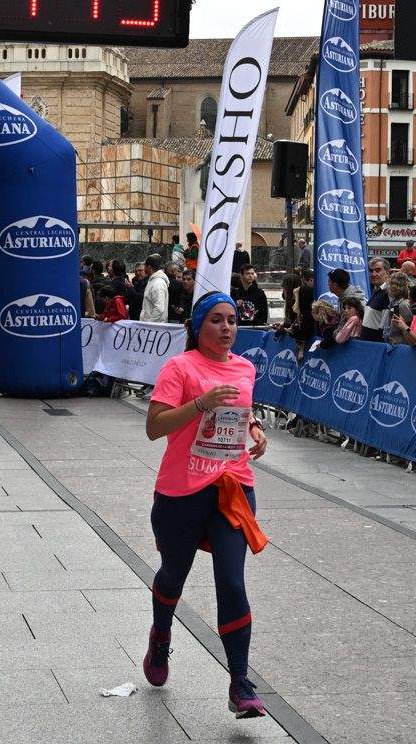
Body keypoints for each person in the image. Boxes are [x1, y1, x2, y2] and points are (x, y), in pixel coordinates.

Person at [142, 291, 270, 720]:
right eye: (216, 320)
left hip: (232, 487)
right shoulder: (180, 367)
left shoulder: (245, 367)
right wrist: (200, 403)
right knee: (173, 575)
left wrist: (255, 428)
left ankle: (240, 682)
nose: (227, 328)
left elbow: (240, 410)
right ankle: (161, 634)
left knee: (232, 583)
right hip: (181, 491)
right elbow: (154, 427)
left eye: (232, 320)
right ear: (198, 326)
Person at [360, 257, 391, 341]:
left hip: (376, 347)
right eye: (371, 271)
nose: (373, 274)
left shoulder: (388, 293)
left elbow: (385, 328)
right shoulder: (377, 291)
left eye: (378, 270)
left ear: (387, 272)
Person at [141, 254, 170, 323]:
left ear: (149, 267)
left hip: (154, 328)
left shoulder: (158, 283)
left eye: (145, 265)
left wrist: (149, 323)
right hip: (150, 327)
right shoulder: (153, 280)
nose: (144, 268)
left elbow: (159, 309)